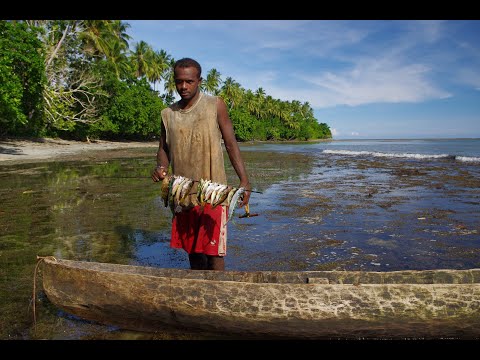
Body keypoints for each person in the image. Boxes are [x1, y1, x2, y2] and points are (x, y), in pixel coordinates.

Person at [151, 57, 251, 271]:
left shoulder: (215, 105)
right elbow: (163, 149)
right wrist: (161, 168)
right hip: (182, 195)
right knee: (193, 253)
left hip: (213, 195)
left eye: (189, 81)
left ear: (199, 81)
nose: (183, 87)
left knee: (214, 254)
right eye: (179, 82)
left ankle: (219, 295)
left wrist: (244, 180)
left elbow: (231, 144)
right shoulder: (167, 114)